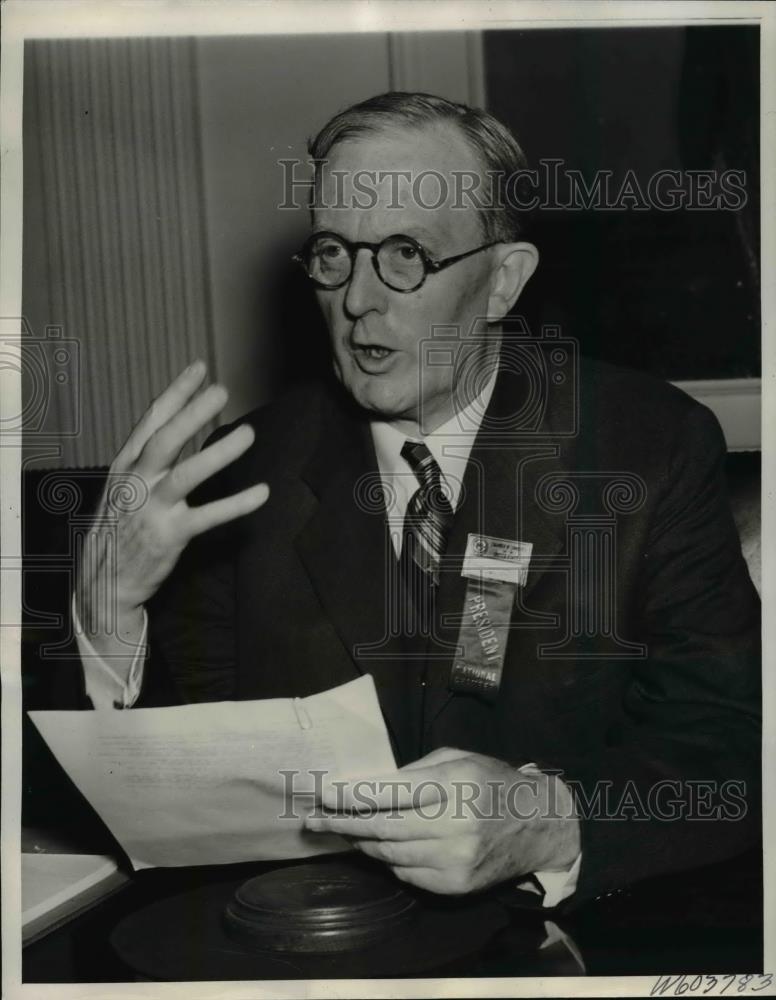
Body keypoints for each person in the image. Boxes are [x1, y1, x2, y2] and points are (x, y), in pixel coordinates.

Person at [73, 92, 760, 909]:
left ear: (504, 282)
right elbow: (173, 794)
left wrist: (553, 822)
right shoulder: (242, 477)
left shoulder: (647, 448)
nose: (359, 299)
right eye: (335, 253)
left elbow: (731, 751)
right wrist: (107, 611)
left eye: (405, 255)